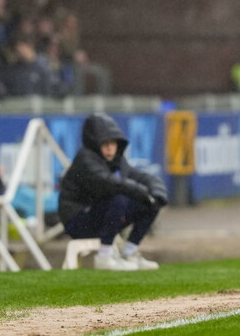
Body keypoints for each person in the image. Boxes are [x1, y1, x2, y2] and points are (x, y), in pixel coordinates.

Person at [58, 112, 168, 271]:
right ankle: (104, 256)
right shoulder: (85, 160)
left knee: (151, 203)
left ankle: (129, 252)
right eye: (105, 143)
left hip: (99, 217)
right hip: (77, 221)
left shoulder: (117, 161)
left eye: (113, 143)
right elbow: (110, 183)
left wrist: (157, 191)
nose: (110, 148)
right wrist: (143, 193)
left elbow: (139, 177)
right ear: (95, 143)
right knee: (119, 196)